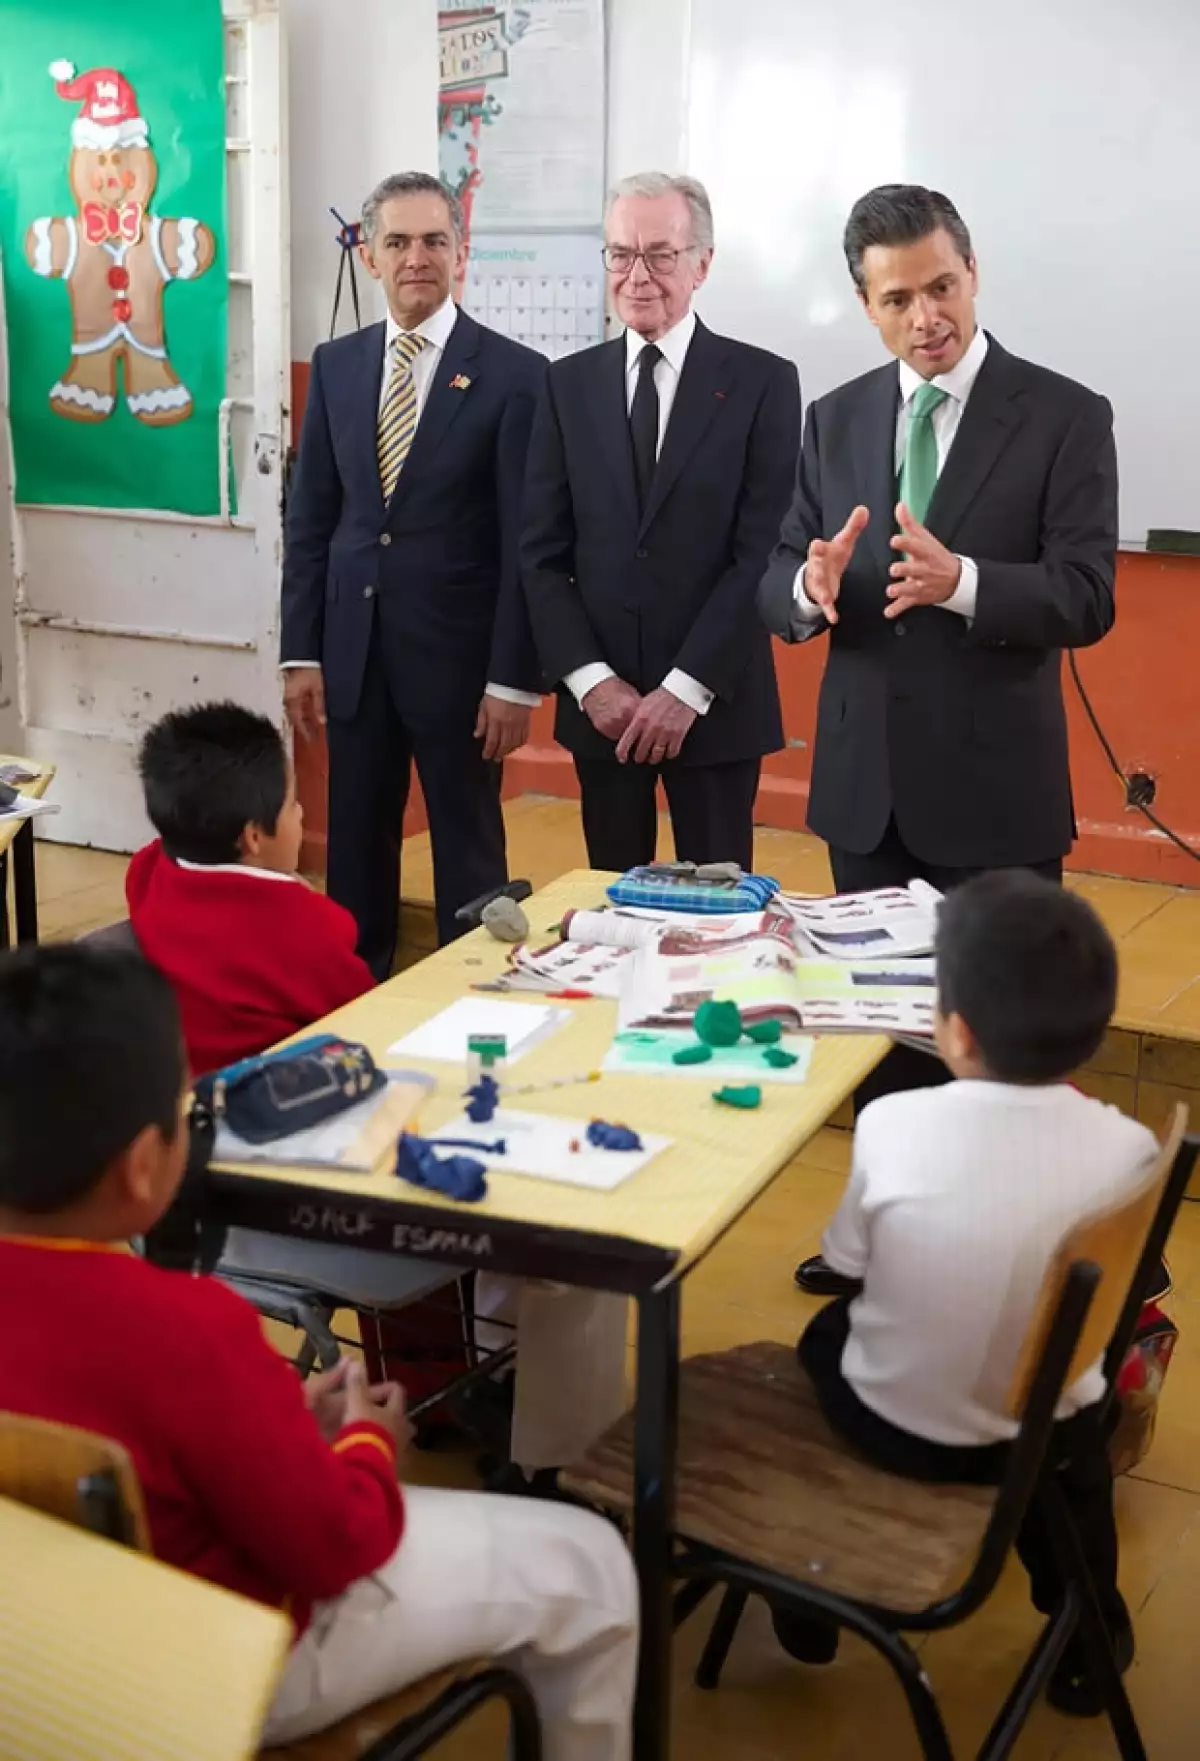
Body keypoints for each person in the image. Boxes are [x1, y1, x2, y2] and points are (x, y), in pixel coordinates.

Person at [0, 943, 639, 1758]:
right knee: (591, 1564)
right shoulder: (184, 1325)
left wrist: (273, 1421)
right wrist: (369, 1444)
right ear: (139, 1169)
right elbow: (333, 1546)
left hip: (29, 1655)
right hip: (205, 1663)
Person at [774, 872, 1154, 1717]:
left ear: (953, 1029)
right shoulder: (1131, 1149)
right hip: (1049, 1433)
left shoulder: (890, 1124)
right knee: (1071, 1411)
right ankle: (1092, 1626)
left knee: (817, 1342)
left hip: (902, 1429)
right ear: (1093, 1033)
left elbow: (848, 1260)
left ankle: (803, 1581)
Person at [758, 183, 1117, 894]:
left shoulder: (1064, 416)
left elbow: (1087, 596)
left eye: (942, 286)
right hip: (864, 801)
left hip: (997, 802)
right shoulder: (834, 418)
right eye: (897, 300)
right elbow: (778, 575)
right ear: (867, 305)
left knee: (1002, 1008)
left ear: (973, 272)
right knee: (870, 1005)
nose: (927, 318)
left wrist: (962, 583)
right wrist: (808, 585)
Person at [281, 171, 546, 981]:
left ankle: (481, 1000)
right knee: (356, 847)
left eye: (435, 240)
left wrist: (514, 680)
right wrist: (302, 652)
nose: (417, 257)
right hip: (355, 656)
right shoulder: (336, 366)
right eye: (397, 241)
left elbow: (524, 543)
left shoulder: (515, 375)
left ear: (460, 255)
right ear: (369, 255)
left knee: (469, 852)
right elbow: (313, 518)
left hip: (464, 673)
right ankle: (358, 998)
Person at [522, 172, 801, 874]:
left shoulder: (763, 382)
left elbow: (761, 555)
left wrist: (684, 689)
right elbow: (542, 554)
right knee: (612, 910)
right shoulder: (566, 383)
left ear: (702, 263)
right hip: (603, 715)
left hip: (714, 707)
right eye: (621, 254)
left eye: (661, 255)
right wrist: (591, 682)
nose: (637, 276)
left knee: (718, 918)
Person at [126, 701, 373, 1077]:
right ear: (254, 836)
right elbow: (369, 1014)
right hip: (276, 1096)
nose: (302, 812)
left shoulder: (149, 872)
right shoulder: (306, 929)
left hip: (180, 1088)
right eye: (292, 805)